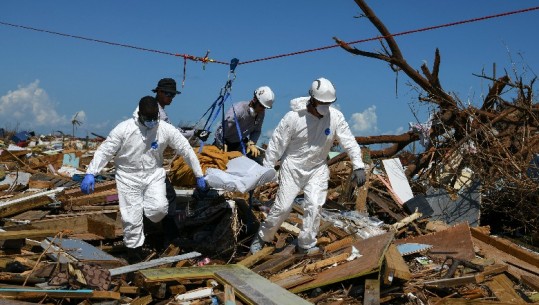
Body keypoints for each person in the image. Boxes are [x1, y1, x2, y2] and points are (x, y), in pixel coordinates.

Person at [81, 96, 207, 262]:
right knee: (131, 218)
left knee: (160, 209)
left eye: (155, 118)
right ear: (139, 114)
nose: (152, 122)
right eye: (148, 119)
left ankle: (146, 224)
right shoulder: (124, 129)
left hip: (153, 174)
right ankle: (134, 252)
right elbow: (105, 150)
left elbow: (185, 149)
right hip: (128, 176)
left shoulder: (164, 129)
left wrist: (198, 174)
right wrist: (91, 172)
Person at [250, 77, 367, 254]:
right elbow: (276, 144)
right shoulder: (293, 118)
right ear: (312, 99)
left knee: (314, 205)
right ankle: (262, 237)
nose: (325, 108)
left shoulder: (335, 117)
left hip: (317, 168)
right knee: (282, 208)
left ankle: (306, 244)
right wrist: (267, 168)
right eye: (322, 103)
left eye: (329, 103)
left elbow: (349, 141)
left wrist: (358, 165)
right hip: (293, 168)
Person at [133, 78, 208, 248]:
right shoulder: (155, 112)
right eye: (167, 94)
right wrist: (195, 133)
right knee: (169, 197)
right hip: (147, 165)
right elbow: (174, 134)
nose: (170, 97)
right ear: (158, 92)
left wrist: (194, 132)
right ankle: (168, 238)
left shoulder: (153, 109)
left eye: (172, 95)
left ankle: (153, 237)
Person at [213, 86, 275, 164]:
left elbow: (257, 131)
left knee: (257, 162)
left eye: (265, 108)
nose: (262, 109)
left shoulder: (261, 114)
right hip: (222, 143)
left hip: (238, 144)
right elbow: (221, 129)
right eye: (261, 106)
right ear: (254, 100)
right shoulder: (238, 110)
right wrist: (221, 143)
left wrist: (252, 143)